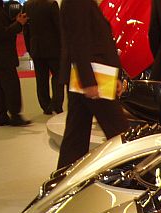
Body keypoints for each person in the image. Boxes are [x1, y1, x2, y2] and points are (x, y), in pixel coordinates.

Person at [57, 0, 129, 169]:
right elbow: (78, 43)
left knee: (76, 136)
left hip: (92, 76)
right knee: (120, 133)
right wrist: (88, 80)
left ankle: (63, 180)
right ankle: (133, 175)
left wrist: (115, 76)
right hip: (94, 78)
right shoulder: (77, 3)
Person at [0, 0, 31, 127]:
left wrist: (15, 21)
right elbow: (1, 33)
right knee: (11, 84)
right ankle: (15, 115)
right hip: (1, 54)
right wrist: (18, 24)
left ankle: (1, 116)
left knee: (1, 86)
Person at [23, 0, 63, 115]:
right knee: (58, 77)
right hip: (53, 48)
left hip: (36, 48)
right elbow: (58, 27)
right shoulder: (52, 4)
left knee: (41, 79)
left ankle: (46, 106)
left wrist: (29, 48)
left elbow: (26, 30)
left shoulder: (27, 5)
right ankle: (57, 104)